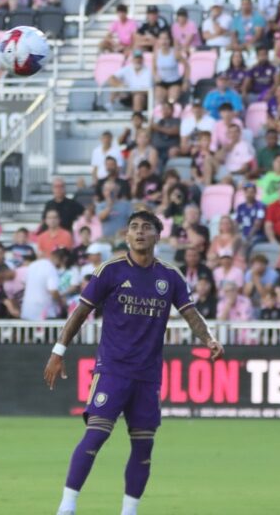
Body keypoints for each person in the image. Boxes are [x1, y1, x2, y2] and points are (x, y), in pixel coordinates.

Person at [44, 211, 223, 515]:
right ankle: (67, 506)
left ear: (157, 236)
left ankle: (129, 511)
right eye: (134, 228)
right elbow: (80, 312)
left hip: (148, 375)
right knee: (96, 434)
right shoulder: (110, 271)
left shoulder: (170, 276)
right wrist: (58, 351)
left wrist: (209, 339)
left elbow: (190, 312)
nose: (140, 232)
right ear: (126, 236)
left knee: (143, 446)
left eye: (147, 228)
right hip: (113, 369)